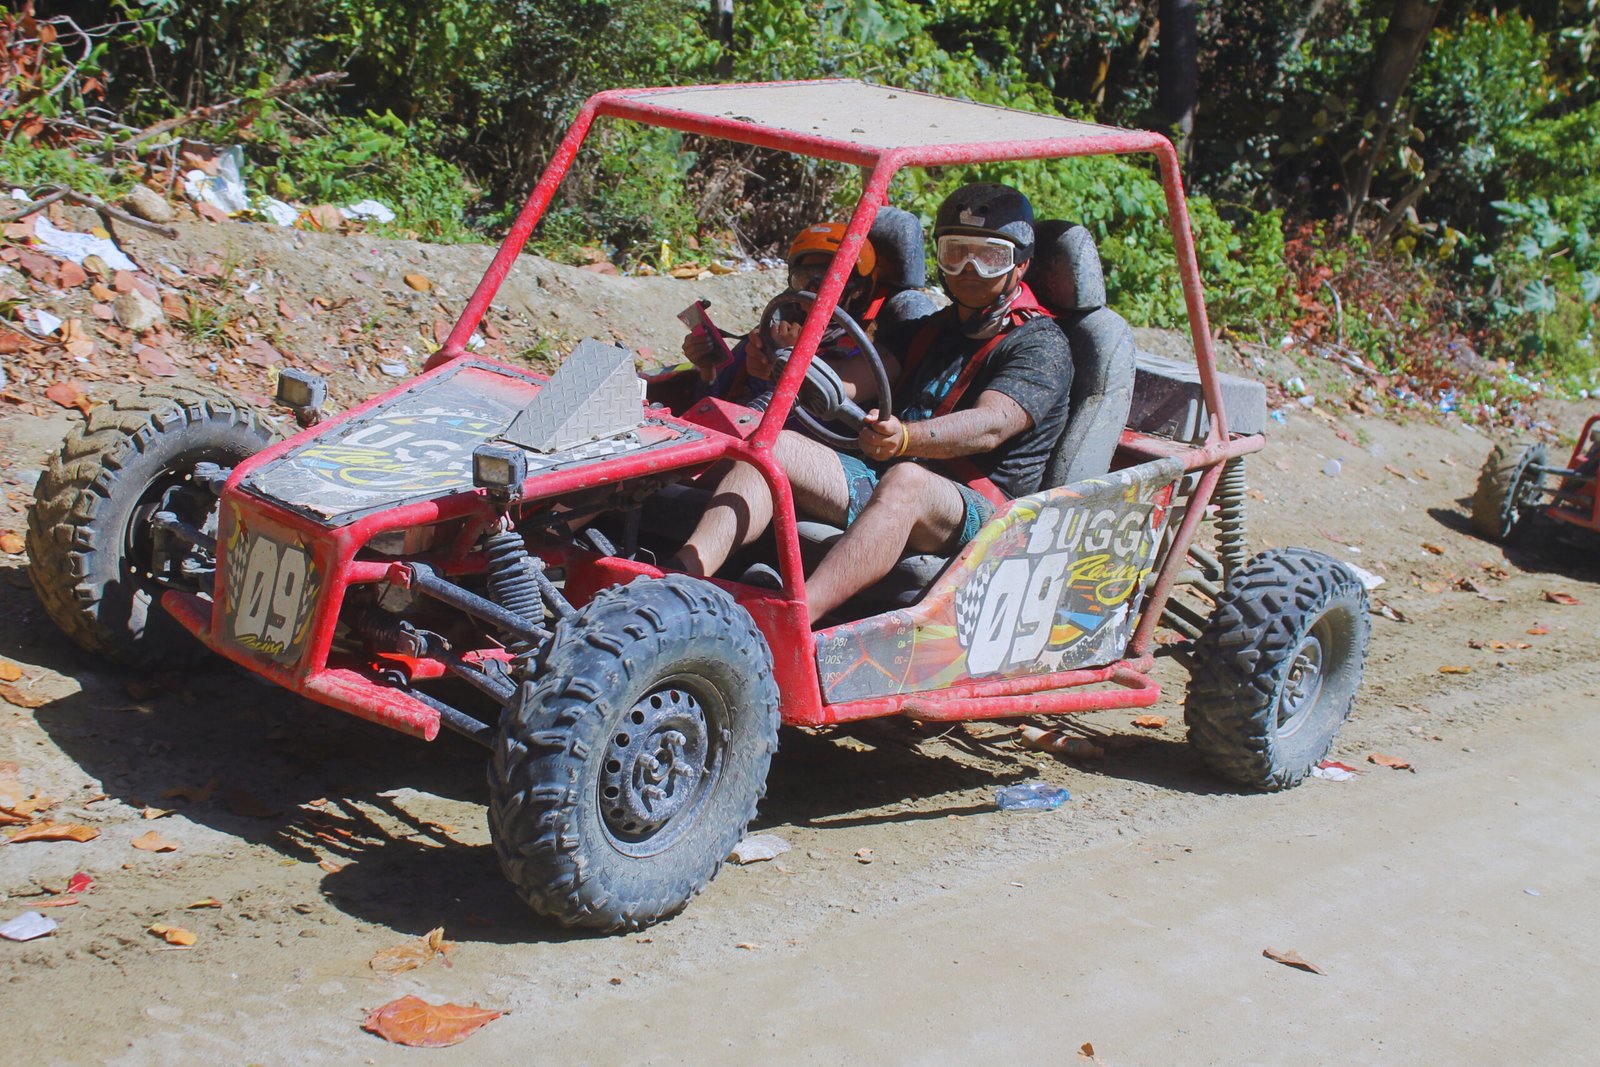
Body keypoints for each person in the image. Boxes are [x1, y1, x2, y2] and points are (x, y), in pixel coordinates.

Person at [673, 183, 1074, 623]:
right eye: (956, 253)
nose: (969, 269)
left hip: (987, 511)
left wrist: (905, 438)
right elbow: (848, 383)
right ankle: (678, 580)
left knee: (907, 480)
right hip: (887, 473)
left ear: (1021, 263)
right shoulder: (927, 328)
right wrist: (782, 367)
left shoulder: (1042, 344)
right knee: (776, 447)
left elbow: (990, 424)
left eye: (989, 257)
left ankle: (795, 621)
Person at [679, 222, 882, 407]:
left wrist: (792, 365)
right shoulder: (767, 336)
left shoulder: (860, 356)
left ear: (857, 290)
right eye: (803, 278)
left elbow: (825, 423)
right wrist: (708, 369)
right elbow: (706, 408)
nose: (811, 290)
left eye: (826, 280)